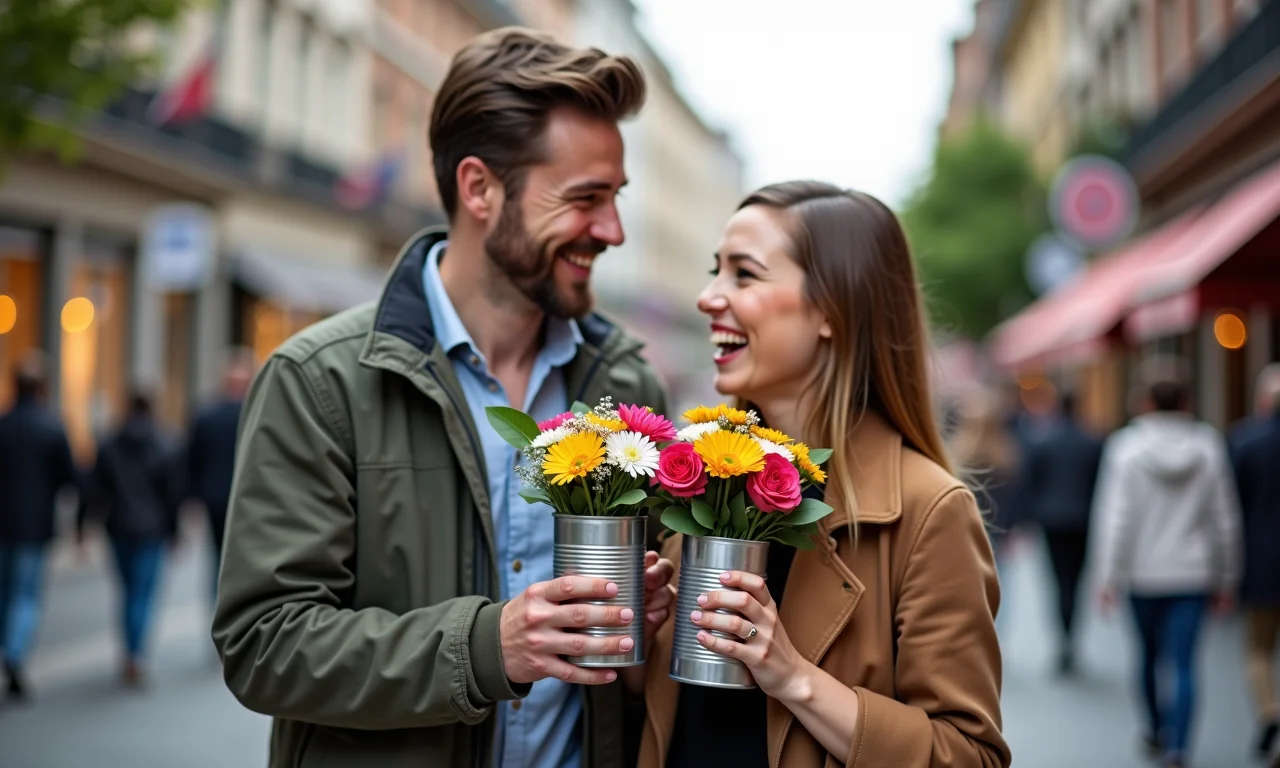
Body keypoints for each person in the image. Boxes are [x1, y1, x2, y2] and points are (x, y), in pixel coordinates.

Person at [211, 27, 673, 768]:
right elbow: (264, 644)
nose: (611, 230)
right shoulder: (320, 380)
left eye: (615, 198)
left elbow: (631, 673)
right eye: (585, 199)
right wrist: (489, 647)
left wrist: (654, 622)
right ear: (479, 188)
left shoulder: (627, 387)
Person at [635, 182, 1010, 767]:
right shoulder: (701, 479)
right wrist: (644, 638)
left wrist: (791, 676)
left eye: (744, 274)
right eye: (715, 271)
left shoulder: (929, 508)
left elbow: (969, 755)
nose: (708, 298)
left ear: (832, 311)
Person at [1093, 360, 1242, 768]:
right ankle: (1179, 744)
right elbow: (1224, 518)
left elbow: (1116, 518)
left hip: (1141, 573)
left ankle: (1156, 729)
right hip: (1193, 573)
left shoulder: (1125, 448)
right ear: (1187, 401)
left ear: (1144, 402)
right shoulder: (1208, 446)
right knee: (1184, 662)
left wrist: (1107, 575)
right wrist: (1227, 576)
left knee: (1147, 656)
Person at [79, 388, 183, 687]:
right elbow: (173, 493)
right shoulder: (166, 443)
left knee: (128, 592)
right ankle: (136, 654)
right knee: (143, 593)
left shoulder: (110, 443)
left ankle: (130, 652)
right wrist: (174, 530)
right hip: (152, 529)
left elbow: (93, 488)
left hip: (119, 527)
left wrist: (82, 525)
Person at [0, 353, 79, 701]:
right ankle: (15, 653)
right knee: (26, 594)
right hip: (34, 526)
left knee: (5, 592)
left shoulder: (3, 424)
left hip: (4, 524)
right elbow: (70, 477)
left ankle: (9, 648)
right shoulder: (51, 426)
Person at [1022, 391, 1104, 676]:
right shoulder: (1093, 443)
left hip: (1052, 520)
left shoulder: (1044, 443)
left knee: (1058, 582)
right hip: (1082, 520)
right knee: (1076, 581)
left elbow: (1031, 483)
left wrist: (1028, 518)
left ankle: (1063, 640)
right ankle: (1071, 639)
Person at [1229, 364, 1280, 763]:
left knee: (1258, 650)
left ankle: (1269, 710)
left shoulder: (1245, 441)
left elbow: (1229, 509)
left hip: (1261, 560)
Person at [185, 346, 256, 598]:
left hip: (214, 497)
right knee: (244, 560)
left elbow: (192, 458)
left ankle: (220, 610)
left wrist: (192, 497)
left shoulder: (206, 414)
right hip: (248, 498)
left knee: (218, 556)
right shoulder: (256, 414)